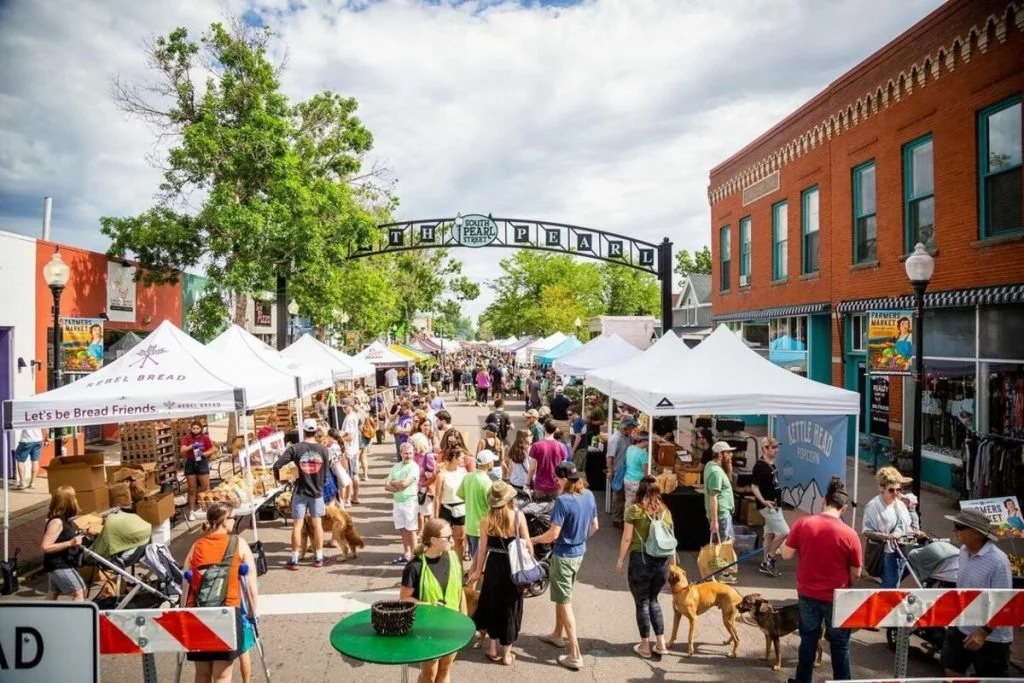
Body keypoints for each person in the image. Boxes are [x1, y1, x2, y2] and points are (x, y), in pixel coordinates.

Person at [780, 477, 862, 683]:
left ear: (822, 502)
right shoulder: (850, 534)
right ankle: (842, 681)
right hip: (837, 596)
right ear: (844, 509)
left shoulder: (803, 523)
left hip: (808, 593)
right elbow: (856, 572)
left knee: (808, 638)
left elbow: (786, 555)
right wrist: (849, 586)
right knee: (840, 644)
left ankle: (802, 680)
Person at [531, 461, 598, 672]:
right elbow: (595, 526)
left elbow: (553, 534)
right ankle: (557, 634)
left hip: (563, 555)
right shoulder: (589, 495)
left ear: (561, 480)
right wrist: (580, 539)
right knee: (563, 596)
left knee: (565, 600)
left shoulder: (563, 501)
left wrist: (531, 540)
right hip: (579, 553)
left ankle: (575, 653)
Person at [183, 503, 260, 683]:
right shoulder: (238, 544)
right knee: (222, 675)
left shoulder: (196, 545)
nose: (235, 521)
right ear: (224, 521)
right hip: (226, 612)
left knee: (202, 674)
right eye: (233, 518)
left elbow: (185, 582)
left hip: (198, 613)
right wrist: (253, 613)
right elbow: (250, 583)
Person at [940, 509, 1013, 677]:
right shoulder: (963, 552)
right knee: (951, 671)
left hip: (991, 637)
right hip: (962, 625)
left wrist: (983, 632)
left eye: (959, 527)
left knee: (990, 679)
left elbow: (1003, 602)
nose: (954, 531)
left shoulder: (998, 562)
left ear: (976, 533)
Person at [467, 481, 529, 666]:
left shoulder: (486, 519)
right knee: (510, 606)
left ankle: (492, 648)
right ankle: (507, 654)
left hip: (494, 565)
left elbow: (482, 549)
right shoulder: (518, 516)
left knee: (492, 604)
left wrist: (478, 571)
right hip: (513, 566)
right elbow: (528, 545)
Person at [399, 518, 466, 683]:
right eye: (447, 537)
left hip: (453, 626)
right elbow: (404, 599)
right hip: (427, 628)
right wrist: (428, 605)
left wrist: (465, 620)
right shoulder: (414, 567)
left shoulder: (453, 558)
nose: (452, 540)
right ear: (433, 540)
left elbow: (459, 590)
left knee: (445, 670)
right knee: (429, 675)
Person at [616, 475, 673, 658]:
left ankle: (645, 646)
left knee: (642, 602)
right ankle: (662, 643)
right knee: (654, 600)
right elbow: (671, 537)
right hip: (662, 561)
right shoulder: (665, 511)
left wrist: (620, 560)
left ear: (640, 490)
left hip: (641, 560)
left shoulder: (635, 510)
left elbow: (626, 538)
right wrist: (672, 562)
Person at [273, 418, 330, 570]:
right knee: (317, 524)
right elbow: (325, 472)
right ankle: (318, 557)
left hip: (300, 491)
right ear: (315, 431)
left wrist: (282, 479)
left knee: (297, 525)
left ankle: (295, 559)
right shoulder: (323, 449)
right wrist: (321, 484)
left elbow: (277, 465)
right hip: (317, 491)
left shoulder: (295, 449)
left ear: (302, 431)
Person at [862, 465, 914, 588]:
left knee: (896, 582)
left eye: (899, 490)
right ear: (882, 488)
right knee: (890, 586)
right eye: (891, 490)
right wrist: (887, 536)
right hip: (887, 552)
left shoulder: (900, 504)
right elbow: (867, 531)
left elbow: (907, 525)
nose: (896, 493)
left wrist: (914, 532)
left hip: (903, 549)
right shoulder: (873, 506)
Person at [40, 486, 87, 601]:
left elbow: (63, 537)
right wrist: (70, 543)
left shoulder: (64, 519)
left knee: (53, 593)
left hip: (60, 563)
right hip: (59, 565)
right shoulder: (57, 522)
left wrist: (82, 534)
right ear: (69, 501)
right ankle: (75, 618)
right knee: (79, 592)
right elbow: (45, 547)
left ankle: (43, 617)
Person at [751, 436, 790, 577]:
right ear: (764, 448)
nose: (776, 450)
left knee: (769, 533)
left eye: (776, 447)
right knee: (785, 532)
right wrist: (763, 501)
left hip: (774, 504)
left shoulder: (771, 463)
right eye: (773, 447)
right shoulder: (759, 466)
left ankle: (764, 563)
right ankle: (770, 557)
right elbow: (754, 486)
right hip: (769, 506)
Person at [704, 441, 737, 583]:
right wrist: (715, 520)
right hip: (721, 514)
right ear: (719, 454)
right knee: (725, 544)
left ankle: (717, 572)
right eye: (728, 452)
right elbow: (713, 496)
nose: (731, 455)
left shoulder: (710, 466)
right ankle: (723, 574)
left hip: (722, 512)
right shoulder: (716, 472)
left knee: (722, 543)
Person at [386, 441, 421, 565]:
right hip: (397, 502)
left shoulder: (414, 467)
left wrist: (396, 484)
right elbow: (386, 485)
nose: (408, 455)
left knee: (411, 529)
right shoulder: (396, 466)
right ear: (401, 453)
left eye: (410, 453)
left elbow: (405, 484)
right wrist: (398, 485)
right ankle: (406, 554)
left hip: (410, 502)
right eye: (406, 453)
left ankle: (415, 556)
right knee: (402, 529)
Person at [458, 449, 497, 560]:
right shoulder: (486, 482)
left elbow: (460, 494)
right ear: (489, 464)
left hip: (469, 525)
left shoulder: (468, 477)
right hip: (481, 529)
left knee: (474, 558)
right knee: (479, 561)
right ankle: (475, 577)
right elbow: (491, 505)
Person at [434, 447, 469, 561]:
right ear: (454, 458)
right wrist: (435, 516)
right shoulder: (442, 475)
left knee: (459, 539)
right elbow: (437, 497)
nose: (463, 460)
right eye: (461, 458)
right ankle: (446, 563)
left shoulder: (463, 473)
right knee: (444, 539)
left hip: (461, 508)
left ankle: (458, 565)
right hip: (446, 509)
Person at [181, 420, 217, 521]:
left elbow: (213, 449)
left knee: (206, 488)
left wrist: (204, 453)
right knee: (192, 489)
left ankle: (208, 510)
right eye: (194, 428)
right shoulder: (187, 438)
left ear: (201, 429)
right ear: (191, 429)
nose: (195, 430)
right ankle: (191, 511)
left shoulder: (205, 437)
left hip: (202, 462)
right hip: (191, 463)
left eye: (197, 428)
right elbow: (182, 450)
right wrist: (191, 446)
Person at [606, 416, 636, 528]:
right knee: (618, 495)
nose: (633, 429)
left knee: (622, 495)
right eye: (631, 427)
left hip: (625, 469)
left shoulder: (627, 437)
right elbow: (609, 457)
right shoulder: (615, 439)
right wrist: (610, 471)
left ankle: (621, 518)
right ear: (625, 427)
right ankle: (616, 519)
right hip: (617, 470)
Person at [529, 420, 567, 502]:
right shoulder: (561, 446)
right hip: (556, 486)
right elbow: (564, 468)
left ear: (544, 428)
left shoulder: (536, 446)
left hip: (540, 485)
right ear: (555, 429)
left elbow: (532, 468)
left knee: (538, 512)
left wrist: (527, 483)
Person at [409, 433, 438, 535]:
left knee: (427, 512)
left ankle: (428, 532)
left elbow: (433, 474)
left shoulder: (428, 456)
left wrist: (424, 484)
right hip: (415, 488)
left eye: (413, 444)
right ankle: (420, 531)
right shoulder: (414, 456)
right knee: (418, 511)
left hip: (426, 489)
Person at [340, 402, 362, 504]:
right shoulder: (354, 416)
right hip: (354, 449)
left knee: (348, 476)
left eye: (345, 406)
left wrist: (339, 438)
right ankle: (355, 497)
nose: (343, 408)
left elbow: (349, 437)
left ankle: (349, 498)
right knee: (354, 474)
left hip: (350, 450)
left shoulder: (349, 418)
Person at [622, 433, 650, 510]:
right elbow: (645, 472)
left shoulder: (630, 448)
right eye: (648, 441)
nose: (649, 444)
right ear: (644, 441)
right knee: (637, 506)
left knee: (628, 503)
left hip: (627, 479)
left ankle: (626, 521)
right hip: (637, 482)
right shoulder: (643, 454)